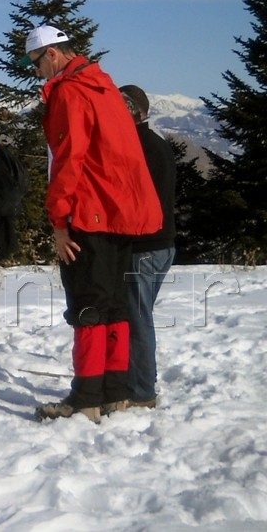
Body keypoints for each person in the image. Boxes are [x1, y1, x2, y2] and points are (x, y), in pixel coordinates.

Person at [25, 25, 163, 423]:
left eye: (35, 62)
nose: (35, 71)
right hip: (121, 215)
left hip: (90, 212)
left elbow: (70, 158)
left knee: (87, 304)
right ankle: (114, 392)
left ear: (53, 54)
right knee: (115, 304)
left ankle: (86, 398)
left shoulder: (70, 92)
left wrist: (59, 220)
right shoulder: (104, 86)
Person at [116, 84, 177, 412]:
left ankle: (141, 392)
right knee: (140, 317)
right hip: (162, 244)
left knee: (138, 320)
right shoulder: (158, 144)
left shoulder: (134, 147)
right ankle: (137, 382)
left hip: (143, 247)